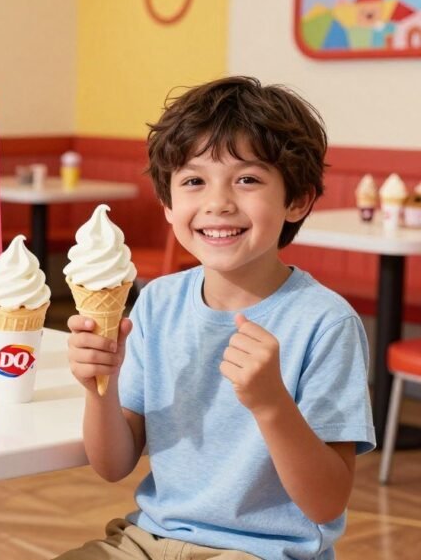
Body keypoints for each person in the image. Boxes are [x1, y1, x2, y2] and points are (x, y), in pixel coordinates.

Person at [58, 76, 375, 560]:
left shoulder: (325, 322)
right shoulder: (157, 302)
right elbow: (113, 465)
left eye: (247, 179)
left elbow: (326, 500)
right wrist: (98, 385)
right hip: (147, 540)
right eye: (193, 181)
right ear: (168, 203)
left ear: (298, 199)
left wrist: (271, 404)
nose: (218, 202)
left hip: (264, 552)